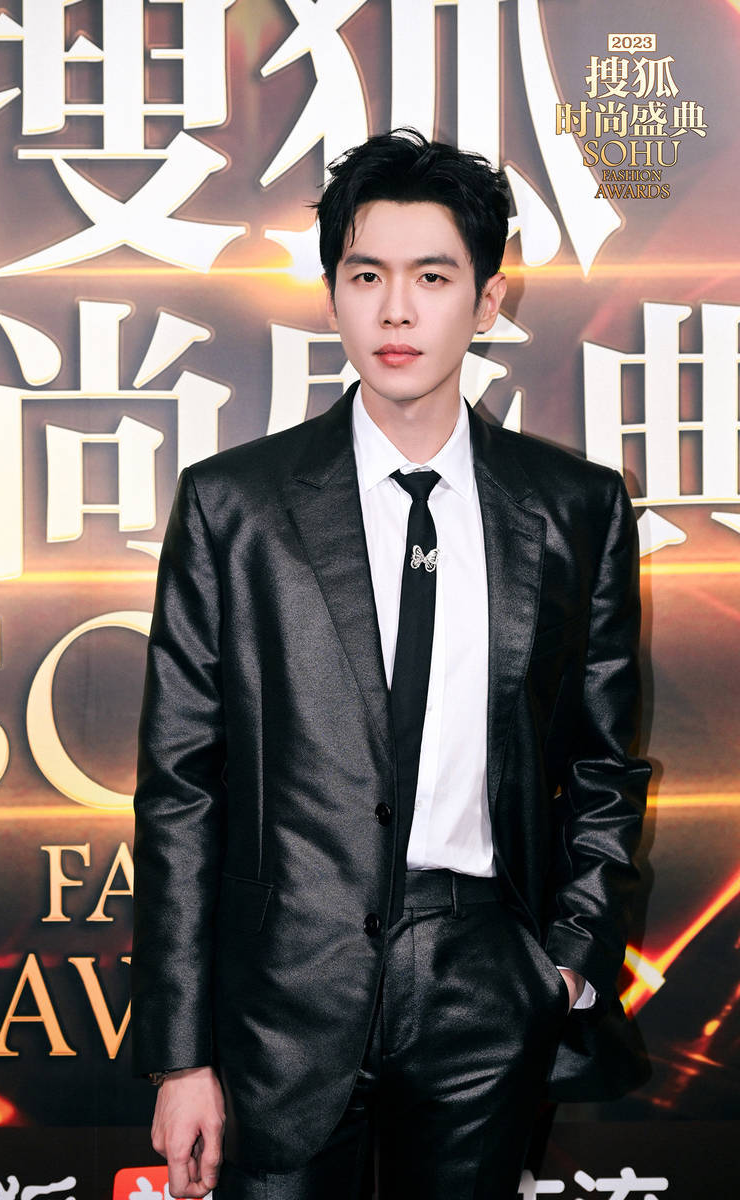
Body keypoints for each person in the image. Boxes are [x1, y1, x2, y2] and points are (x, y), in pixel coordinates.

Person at [131, 128, 650, 1200]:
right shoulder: (235, 506)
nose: (397, 311)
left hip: (484, 981)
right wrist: (181, 1057)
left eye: (432, 277)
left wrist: (564, 965)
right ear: (332, 295)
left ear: (488, 300)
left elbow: (603, 763)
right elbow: (181, 787)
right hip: (279, 996)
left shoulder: (574, 508)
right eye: (366, 276)